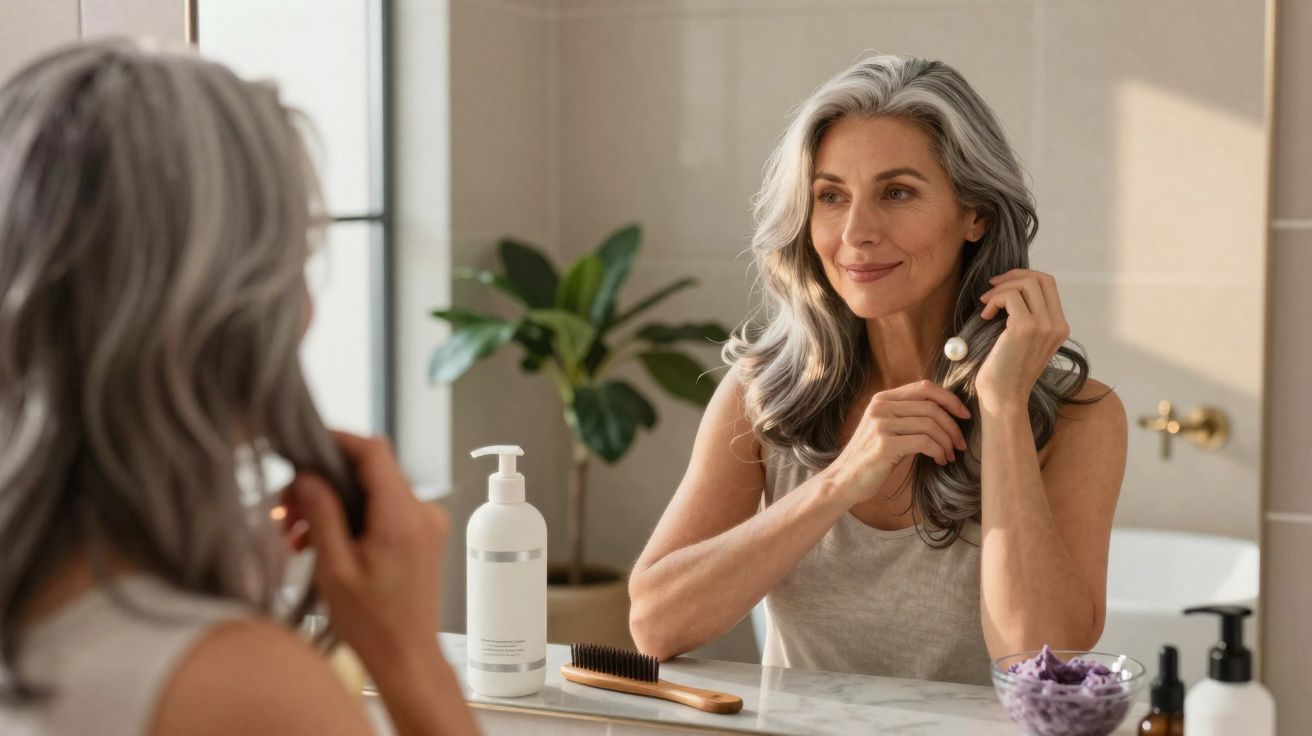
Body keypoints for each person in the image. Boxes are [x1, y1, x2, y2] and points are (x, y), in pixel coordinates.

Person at [0, 39, 478, 735]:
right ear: (226, 313)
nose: (307, 309)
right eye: (293, 262)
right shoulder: (240, 690)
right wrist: (412, 660)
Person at [629, 54, 1128, 686]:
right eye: (831, 196)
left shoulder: (1080, 418)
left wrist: (1003, 408)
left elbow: (1032, 660)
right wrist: (839, 482)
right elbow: (655, 626)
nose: (856, 232)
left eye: (897, 193)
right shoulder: (764, 394)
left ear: (975, 213)